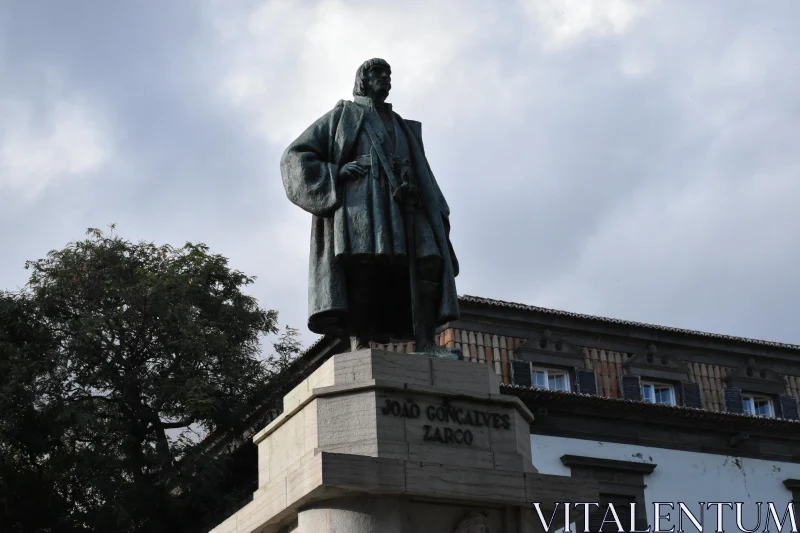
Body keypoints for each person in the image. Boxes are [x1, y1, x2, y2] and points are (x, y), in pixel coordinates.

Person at [280, 58, 459, 354]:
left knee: (430, 259)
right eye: (378, 72)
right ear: (363, 79)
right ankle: (359, 340)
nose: (386, 78)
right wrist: (336, 172)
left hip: (406, 204)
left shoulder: (400, 123)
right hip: (362, 202)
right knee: (363, 267)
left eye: (389, 73)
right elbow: (294, 155)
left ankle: (427, 341)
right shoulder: (344, 115)